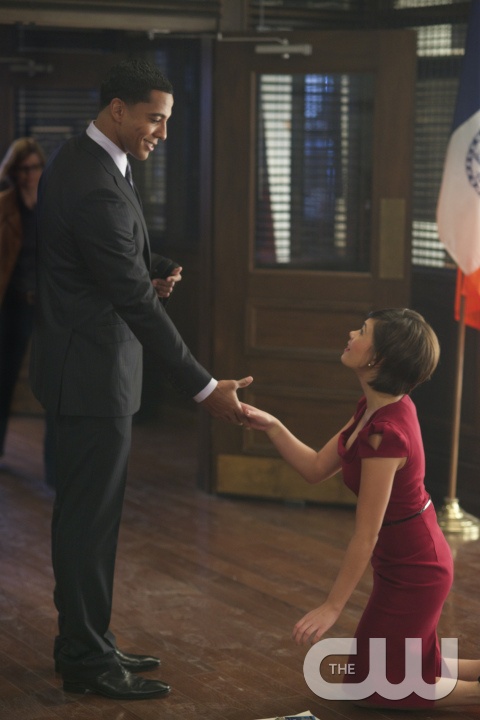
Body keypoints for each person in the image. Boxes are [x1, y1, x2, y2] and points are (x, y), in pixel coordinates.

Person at [29, 58, 252, 701]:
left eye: (167, 119)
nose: (163, 132)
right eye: (155, 118)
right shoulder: (94, 180)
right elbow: (130, 299)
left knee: (87, 520)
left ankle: (85, 641)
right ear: (118, 109)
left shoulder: (87, 158)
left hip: (86, 368)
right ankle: (86, 659)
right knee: (88, 523)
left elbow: (102, 264)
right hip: (90, 377)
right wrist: (205, 388)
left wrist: (145, 271)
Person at [242, 308, 480, 709]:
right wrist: (272, 426)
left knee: (377, 686)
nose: (352, 333)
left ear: (378, 358)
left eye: (363, 331)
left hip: (416, 569)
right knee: (381, 673)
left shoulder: (386, 434)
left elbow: (366, 535)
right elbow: (314, 468)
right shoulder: (374, 409)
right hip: (400, 561)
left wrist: (332, 606)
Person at [0, 138, 55, 486]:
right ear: (13, 172)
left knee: (55, 382)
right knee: (3, 378)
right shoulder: (4, 207)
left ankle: (55, 464)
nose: (29, 175)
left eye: (34, 167)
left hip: (49, 305)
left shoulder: (54, 205)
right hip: (13, 303)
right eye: (23, 169)